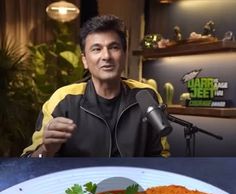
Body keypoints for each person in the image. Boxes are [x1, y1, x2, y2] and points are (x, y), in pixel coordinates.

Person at [22, 15, 169, 157]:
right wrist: (47, 149)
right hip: (79, 182)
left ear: (124, 55)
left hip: (134, 181)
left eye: (114, 47)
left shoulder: (147, 96)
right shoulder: (63, 100)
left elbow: (161, 156)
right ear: (84, 60)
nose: (106, 56)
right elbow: (29, 161)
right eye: (96, 49)